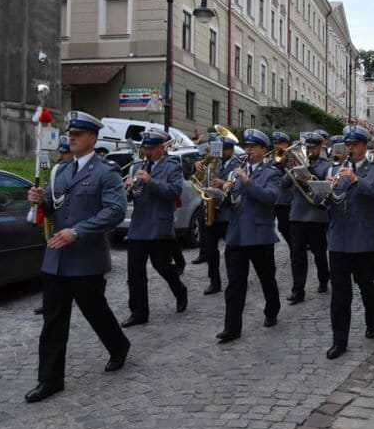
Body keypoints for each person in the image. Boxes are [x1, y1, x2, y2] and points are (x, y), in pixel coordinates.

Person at [24, 111, 130, 403]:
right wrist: (39, 200)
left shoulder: (105, 172)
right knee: (53, 321)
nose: (71, 138)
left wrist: (78, 231)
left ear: (92, 138)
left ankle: (119, 346)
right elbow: (55, 205)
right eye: (70, 134)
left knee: (96, 312)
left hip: (86, 259)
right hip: (56, 257)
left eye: (77, 134)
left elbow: (114, 211)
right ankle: (50, 379)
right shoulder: (62, 171)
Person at [326, 125, 374, 360]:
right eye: (348, 145)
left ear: (364, 146)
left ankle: (371, 322)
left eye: (355, 145)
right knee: (340, 294)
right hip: (339, 240)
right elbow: (328, 201)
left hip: (363, 239)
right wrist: (322, 191)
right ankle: (339, 341)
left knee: (366, 287)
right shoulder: (335, 168)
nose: (350, 149)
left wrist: (356, 180)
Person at [215, 129, 282, 343]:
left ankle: (272, 310)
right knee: (235, 283)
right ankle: (232, 327)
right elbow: (229, 201)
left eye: (253, 147)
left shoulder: (272, 172)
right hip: (236, 234)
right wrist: (223, 189)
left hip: (259, 235)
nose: (249, 150)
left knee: (266, 278)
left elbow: (270, 197)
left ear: (263, 150)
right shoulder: (236, 170)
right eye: (248, 147)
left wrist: (246, 181)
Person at [120, 128, 188, 328]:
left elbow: (174, 192)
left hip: (158, 225)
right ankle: (139, 312)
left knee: (162, 266)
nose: (147, 152)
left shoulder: (172, 167)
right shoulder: (138, 166)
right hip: (139, 224)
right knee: (134, 272)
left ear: (161, 148)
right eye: (145, 148)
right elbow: (134, 196)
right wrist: (129, 189)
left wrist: (150, 181)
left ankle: (180, 290)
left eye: (151, 148)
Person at [284, 132, 331, 304]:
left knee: (319, 253)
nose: (310, 151)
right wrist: (290, 169)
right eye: (308, 147)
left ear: (320, 148)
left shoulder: (325, 166)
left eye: (313, 148)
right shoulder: (296, 163)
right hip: (297, 215)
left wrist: (308, 175)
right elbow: (284, 184)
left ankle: (324, 278)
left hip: (316, 216)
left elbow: (325, 189)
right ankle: (298, 290)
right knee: (297, 255)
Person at [33, 136, 73, 317]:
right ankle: (49, 302)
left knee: (93, 304)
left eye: (66, 153)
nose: (62, 156)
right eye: (62, 152)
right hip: (57, 233)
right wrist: (41, 200)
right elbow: (50, 200)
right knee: (52, 279)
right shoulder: (57, 171)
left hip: (77, 236)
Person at [198, 135, 242, 294]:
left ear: (231, 150)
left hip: (229, 213)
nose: (221, 153)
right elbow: (204, 184)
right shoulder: (212, 163)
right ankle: (214, 281)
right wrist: (205, 178)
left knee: (233, 250)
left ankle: (235, 279)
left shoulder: (239, 164)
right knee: (210, 249)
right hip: (213, 211)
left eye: (224, 150)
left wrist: (223, 184)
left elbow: (239, 187)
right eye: (220, 150)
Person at [272, 131, 293, 250]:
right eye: (275, 143)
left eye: (280, 143)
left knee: (285, 227)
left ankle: (294, 248)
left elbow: (291, 175)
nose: (277, 146)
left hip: (286, 199)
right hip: (273, 198)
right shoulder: (272, 156)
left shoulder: (291, 157)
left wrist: (282, 163)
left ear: (286, 144)